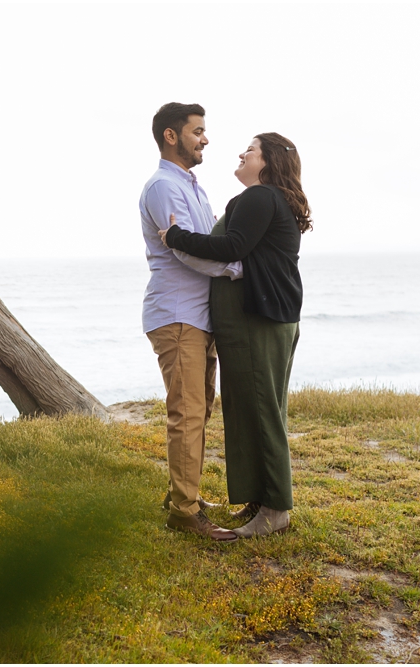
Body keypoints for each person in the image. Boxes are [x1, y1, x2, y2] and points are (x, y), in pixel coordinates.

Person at [160, 132, 311, 538]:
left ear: (268, 162)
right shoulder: (266, 198)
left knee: (261, 412)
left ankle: (276, 509)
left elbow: (230, 247)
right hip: (260, 319)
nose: (242, 153)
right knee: (252, 410)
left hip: (257, 320)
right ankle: (260, 499)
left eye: (251, 149)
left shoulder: (261, 197)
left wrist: (174, 237)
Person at [139, 103, 243, 542]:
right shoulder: (163, 186)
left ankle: (185, 495)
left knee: (199, 408)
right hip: (178, 314)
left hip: (197, 318)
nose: (205, 139)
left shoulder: (194, 188)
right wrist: (237, 270)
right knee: (187, 412)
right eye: (197, 131)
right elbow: (186, 250)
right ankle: (184, 511)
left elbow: (207, 241)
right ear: (171, 136)